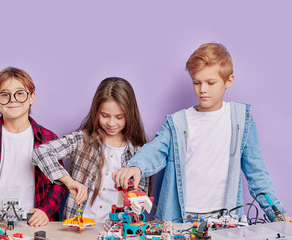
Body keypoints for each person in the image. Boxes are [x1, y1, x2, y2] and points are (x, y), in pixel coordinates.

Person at [113, 43, 292, 223]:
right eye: (197, 82)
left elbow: (257, 174)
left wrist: (277, 214)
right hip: (180, 218)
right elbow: (155, 149)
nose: (202, 89)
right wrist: (137, 166)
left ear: (228, 81)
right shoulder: (178, 122)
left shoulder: (241, 120)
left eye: (210, 82)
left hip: (224, 221)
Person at [32, 77, 149, 222]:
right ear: (96, 112)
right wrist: (69, 182)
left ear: (130, 115)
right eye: (105, 116)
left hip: (115, 232)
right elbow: (40, 152)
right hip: (78, 230)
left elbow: (139, 205)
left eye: (119, 117)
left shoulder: (140, 155)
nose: (111, 123)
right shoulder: (82, 140)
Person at [0, 67, 66, 230]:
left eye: (20, 93)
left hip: (35, 222)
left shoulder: (48, 139)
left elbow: (59, 182)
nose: (13, 99)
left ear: (32, 97)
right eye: (5, 94)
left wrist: (46, 211)